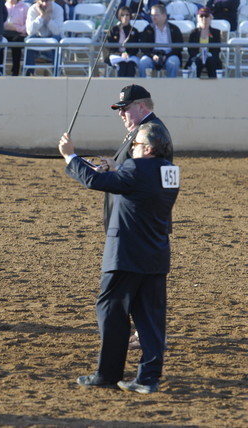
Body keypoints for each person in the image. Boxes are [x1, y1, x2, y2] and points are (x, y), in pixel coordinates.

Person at [59, 122, 180, 394]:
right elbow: (138, 185)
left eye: (134, 145)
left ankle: (107, 373)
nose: (131, 149)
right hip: (155, 255)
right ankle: (148, 378)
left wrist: (70, 156)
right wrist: (117, 169)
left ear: (147, 149)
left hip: (126, 255)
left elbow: (95, 181)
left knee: (110, 311)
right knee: (151, 320)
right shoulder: (170, 172)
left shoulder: (135, 170)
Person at [99, 84, 173, 351]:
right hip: (143, 221)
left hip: (140, 224)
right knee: (146, 285)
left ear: (142, 106)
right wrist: (115, 167)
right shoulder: (142, 132)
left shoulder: (151, 133)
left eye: (125, 108)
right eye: (119, 109)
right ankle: (146, 332)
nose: (121, 114)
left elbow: (151, 179)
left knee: (140, 285)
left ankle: (147, 334)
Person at [138, 3, 183, 78]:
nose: (153, 17)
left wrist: (167, 55)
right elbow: (143, 47)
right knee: (143, 62)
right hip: (152, 56)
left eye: (156, 15)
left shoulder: (174, 29)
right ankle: (143, 86)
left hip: (169, 55)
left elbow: (179, 47)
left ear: (164, 16)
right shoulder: (148, 29)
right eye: (152, 15)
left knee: (174, 62)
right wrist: (152, 55)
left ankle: (170, 86)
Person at [24, 0, 63, 69]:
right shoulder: (32, 9)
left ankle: (56, 72)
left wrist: (47, 18)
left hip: (52, 37)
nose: (45, 4)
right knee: (28, 39)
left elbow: (57, 31)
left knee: (58, 39)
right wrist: (41, 16)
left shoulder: (58, 9)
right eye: (42, 1)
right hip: (37, 37)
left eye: (47, 1)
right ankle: (29, 72)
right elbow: (30, 31)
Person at [186, 7, 223, 78]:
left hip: (211, 58)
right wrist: (199, 56)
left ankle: (214, 85)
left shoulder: (216, 32)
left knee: (211, 61)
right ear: (198, 18)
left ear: (210, 18)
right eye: (201, 16)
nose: (204, 19)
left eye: (206, 16)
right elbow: (191, 50)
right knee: (196, 62)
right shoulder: (193, 33)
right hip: (197, 57)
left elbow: (216, 50)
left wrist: (207, 55)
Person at [105, 6, 140, 77]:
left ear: (130, 16)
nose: (125, 17)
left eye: (127, 15)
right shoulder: (113, 30)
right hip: (116, 55)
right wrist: (120, 54)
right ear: (119, 16)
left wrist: (127, 54)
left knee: (131, 66)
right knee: (122, 65)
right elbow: (109, 46)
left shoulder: (134, 31)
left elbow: (136, 48)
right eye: (122, 15)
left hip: (130, 56)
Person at [3, 0, 29, 76]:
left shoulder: (25, 8)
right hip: (5, 32)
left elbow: (27, 26)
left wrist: (16, 28)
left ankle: (15, 71)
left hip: (19, 33)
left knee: (17, 43)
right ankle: (0, 69)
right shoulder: (3, 6)